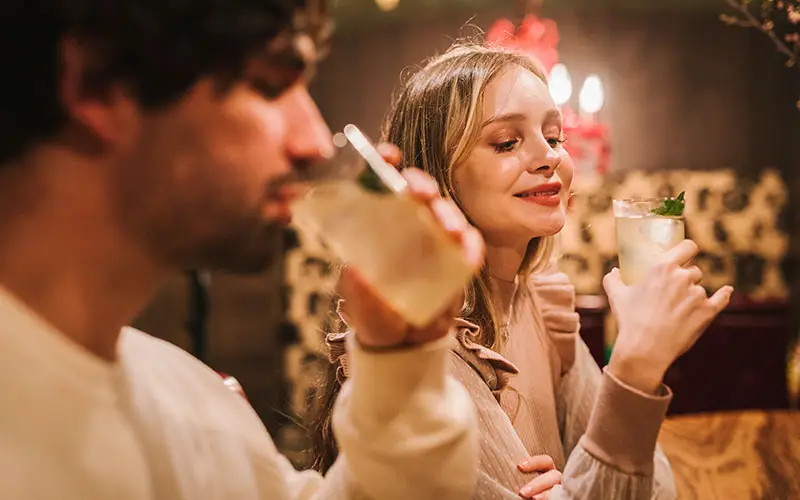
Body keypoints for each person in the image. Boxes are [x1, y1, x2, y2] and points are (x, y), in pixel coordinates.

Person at [0, 2, 485, 499]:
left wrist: (400, 362)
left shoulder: (196, 405)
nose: (315, 141)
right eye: (270, 84)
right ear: (99, 84)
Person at [311, 43, 734, 499]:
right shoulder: (426, 348)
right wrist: (634, 370)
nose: (549, 156)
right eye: (506, 142)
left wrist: (572, 486)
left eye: (554, 137)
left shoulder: (540, 303)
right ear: (434, 173)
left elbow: (656, 489)